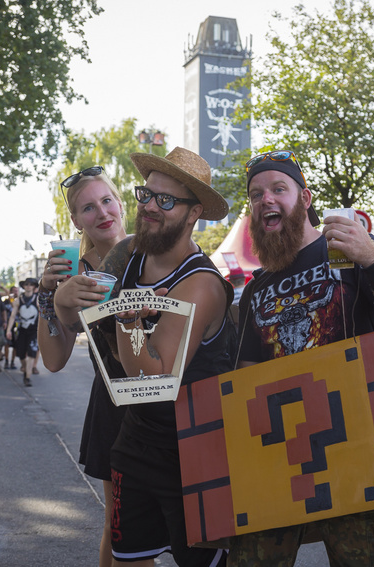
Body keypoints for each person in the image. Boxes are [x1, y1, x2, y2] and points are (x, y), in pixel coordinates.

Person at [229, 150, 374, 567]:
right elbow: (246, 374)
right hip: (279, 451)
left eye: (279, 189)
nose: (266, 199)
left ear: (306, 198)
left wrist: (373, 258)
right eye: (256, 194)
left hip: (356, 446)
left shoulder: (352, 249)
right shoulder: (255, 288)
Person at [55, 147, 233, 567]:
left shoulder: (201, 284)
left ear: (194, 214)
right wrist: (62, 300)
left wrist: (128, 318)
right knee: (126, 558)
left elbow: (149, 385)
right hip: (135, 446)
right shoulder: (128, 255)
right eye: (146, 194)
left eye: (166, 200)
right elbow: (74, 331)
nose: (150, 207)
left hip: (194, 454)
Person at [37, 165, 131, 567]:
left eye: (107, 200)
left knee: (190, 519)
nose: (102, 212)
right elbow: (54, 360)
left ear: (121, 203)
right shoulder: (74, 271)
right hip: (114, 406)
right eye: (88, 208)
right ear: (75, 220)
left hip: (170, 398)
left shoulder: (156, 251)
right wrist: (49, 295)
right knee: (120, 524)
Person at [7, 279, 40, 386]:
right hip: (22, 330)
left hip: (34, 331)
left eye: (31, 285)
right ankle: (26, 369)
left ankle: (27, 377)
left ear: (34, 287)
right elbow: (12, 316)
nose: (28, 286)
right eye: (26, 284)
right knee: (21, 354)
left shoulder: (37, 299)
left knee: (31, 353)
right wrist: (8, 330)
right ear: (24, 286)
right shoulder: (18, 300)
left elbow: (42, 316)